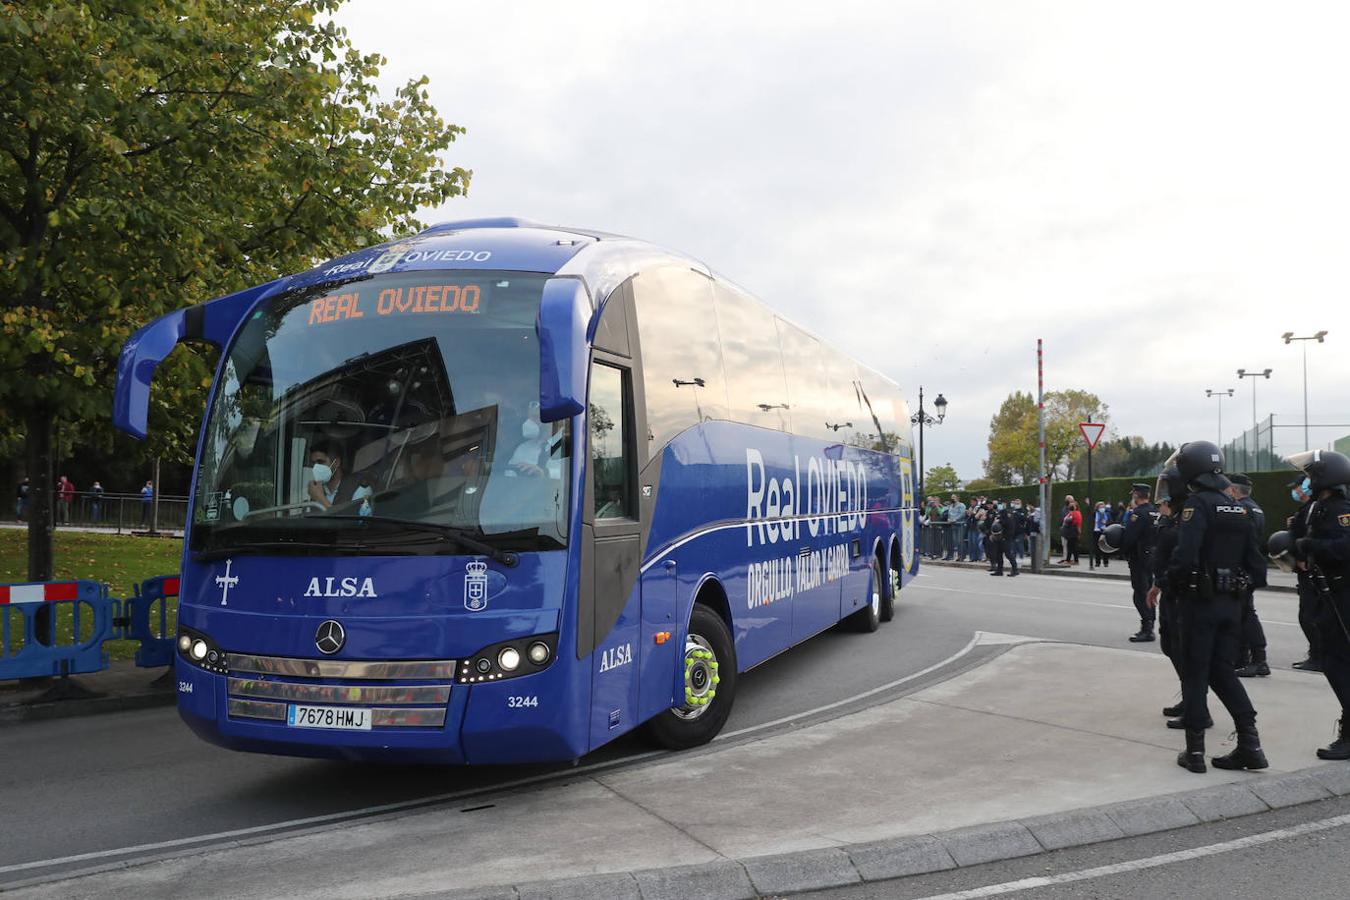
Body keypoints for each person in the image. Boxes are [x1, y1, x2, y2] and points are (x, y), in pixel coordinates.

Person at [1163, 441, 1267, 774]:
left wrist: (1169, 583)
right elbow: (1258, 569)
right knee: (1223, 671)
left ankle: (1194, 753)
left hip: (1200, 604)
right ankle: (1250, 744)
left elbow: (1185, 556)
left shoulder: (1198, 505)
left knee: (1196, 672)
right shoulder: (1240, 507)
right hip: (1232, 605)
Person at [1284, 449, 1350, 760]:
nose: (1307, 481)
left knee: (1338, 662)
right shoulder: (1321, 507)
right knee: (1334, 659)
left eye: (1312, 474)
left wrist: (1309, 546)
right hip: (1329, 593)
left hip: (1343, 595)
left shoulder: (1340, 508)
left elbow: (1344, 547)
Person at [1145, 467, 1187, 728]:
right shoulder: (1174, 515)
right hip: (1168, 588)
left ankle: (1197, 706)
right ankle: (1190, 698)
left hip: (1181, 591)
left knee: (1182, 648)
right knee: (1170, 645)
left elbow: (1180, 554)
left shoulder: (1188, 514)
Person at [1227, 474, 1269, 678]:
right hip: (1251, 567)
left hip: (1243, 568)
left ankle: (1259, 659)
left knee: (1246, 614)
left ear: (1234, 490)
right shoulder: (1256, 507)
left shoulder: (1242, 509)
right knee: (1241, 614)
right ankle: (1242, 658)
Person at [1288, 476, 1322, 672]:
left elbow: (1308, 535)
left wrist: (1302, 557)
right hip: (1306, 568)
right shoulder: (1307, 508)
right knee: (1307, 614)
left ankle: (1318, 656)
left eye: (1298, 487)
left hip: (1309, 568)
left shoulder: (1313, 507)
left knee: (1309, 615)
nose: (1296, 491)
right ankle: (1316, 654)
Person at [1119, 483, 1159, 642]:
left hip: (1139, 558)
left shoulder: (1138, 514)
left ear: (1136, 495)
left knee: (1140, 594)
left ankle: (1147, 629)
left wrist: (1121, 549)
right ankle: (1151, 625)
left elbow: (1129, 538)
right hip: (1154, 557)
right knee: (1150, 591)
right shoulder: (1155, 512)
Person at [307, 442, 360, 509]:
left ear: (336, 463)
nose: (315, 467)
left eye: (320, 462)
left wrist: (321, 499)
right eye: (313, 464)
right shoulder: (315, 490)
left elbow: (350, 519)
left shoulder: (358, 488)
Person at [988, 500, 1020, 577]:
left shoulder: (1008, 521)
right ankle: (999, 570)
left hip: (1006, 539)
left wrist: (999, 522)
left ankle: (1015, 569)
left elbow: (1009, 530)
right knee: (998, 555)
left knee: (1008, 555)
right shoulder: (1001, 520)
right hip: (999, 539)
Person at [1060, 498, 1082, 566]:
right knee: (1072, 547)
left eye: (1072, 505)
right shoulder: (1076, 513)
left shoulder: (1074, 513)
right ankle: (1074, 560)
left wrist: (1066, 522)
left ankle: (1069, 560)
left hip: (1072, 532)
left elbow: (1070, 521)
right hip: (1072, 532)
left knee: (1071, 547)